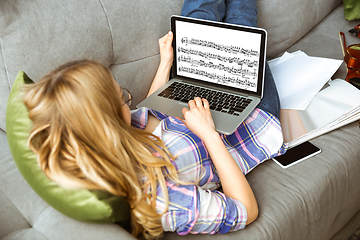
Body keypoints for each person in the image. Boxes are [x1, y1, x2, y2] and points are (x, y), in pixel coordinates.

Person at [23, 0, 287, 239]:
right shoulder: (159, 200)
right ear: (106, 123)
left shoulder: (111, 134)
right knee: (241, 22)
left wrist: (165, 65)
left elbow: (153, 111)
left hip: (195, 100)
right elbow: (245, 210)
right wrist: (208, 134)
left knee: (196, 14)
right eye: (123, 98)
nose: (129, 99)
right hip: (249, 122)